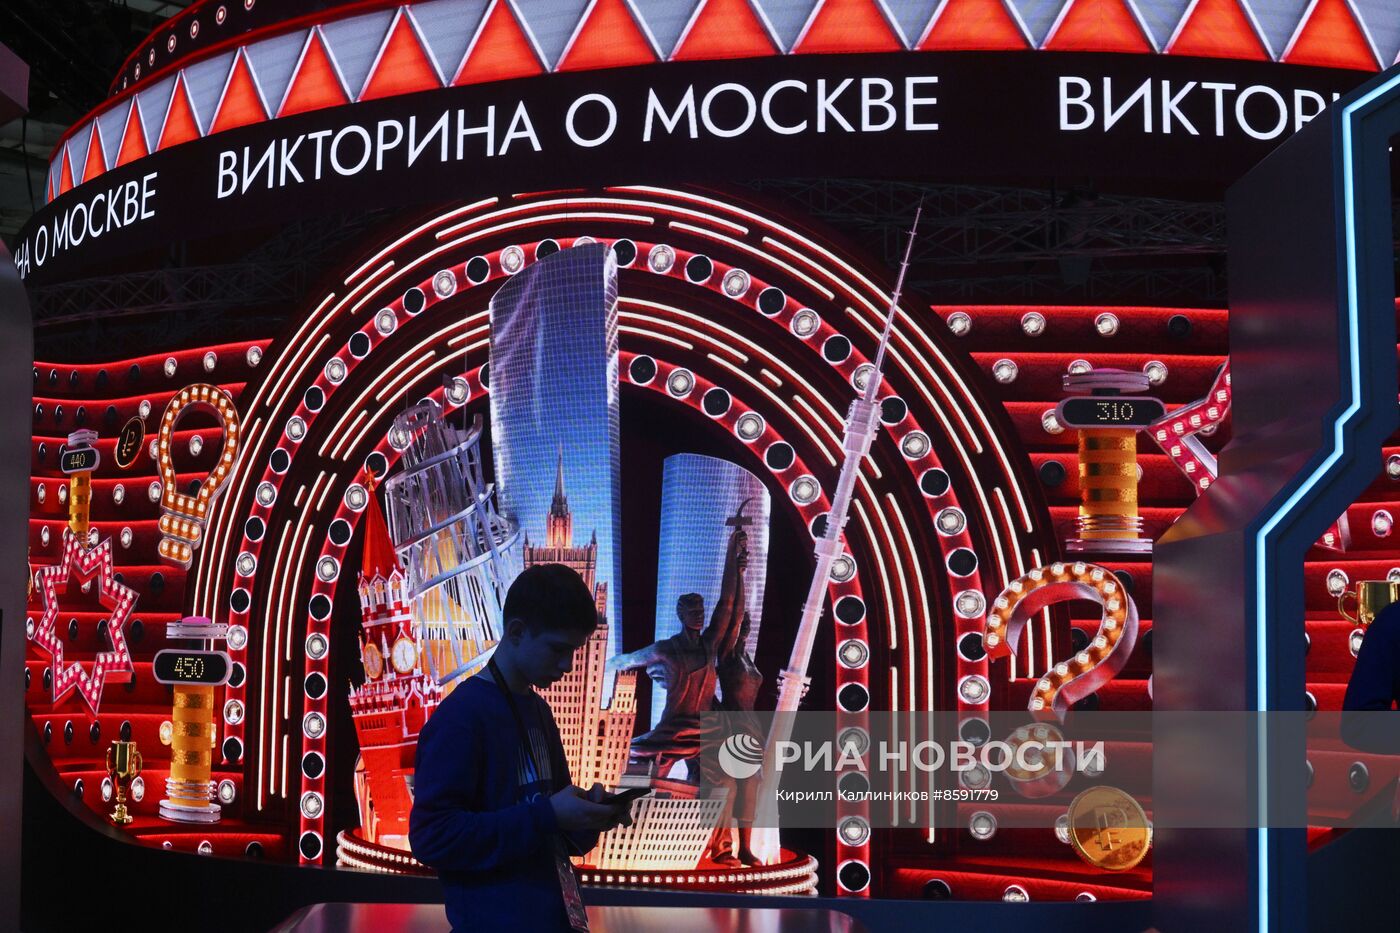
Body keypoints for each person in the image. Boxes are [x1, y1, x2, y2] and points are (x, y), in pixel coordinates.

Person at [410, 564, 633, 933]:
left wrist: (590, 816)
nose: (567, 665)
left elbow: (553, 832)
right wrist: (547, 815)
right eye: (558, 648)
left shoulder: (540, 710)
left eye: (575, 651)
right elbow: (431, 837)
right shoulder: (460, 717)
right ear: (515, 632)